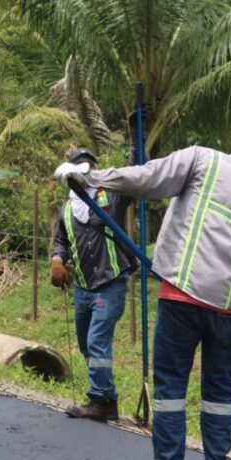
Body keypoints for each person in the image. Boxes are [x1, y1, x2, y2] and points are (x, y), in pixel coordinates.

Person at [55, 137, 231, 460]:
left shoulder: (202, 159)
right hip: (228, 310)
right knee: (220, 400)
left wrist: (94, 179)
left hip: (182, 299)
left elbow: (147, 178)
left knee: (171, 393)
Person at [50, 148, 137, 422]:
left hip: (110, 282)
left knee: (97, 341)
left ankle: (99, 399)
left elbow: (135, 175)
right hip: (83, 287)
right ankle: (105, 399)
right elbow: (61, 241)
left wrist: (136, 143)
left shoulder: (111, 197)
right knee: (86, 345)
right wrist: (57, 260)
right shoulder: (67, 209)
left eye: (88, 168)